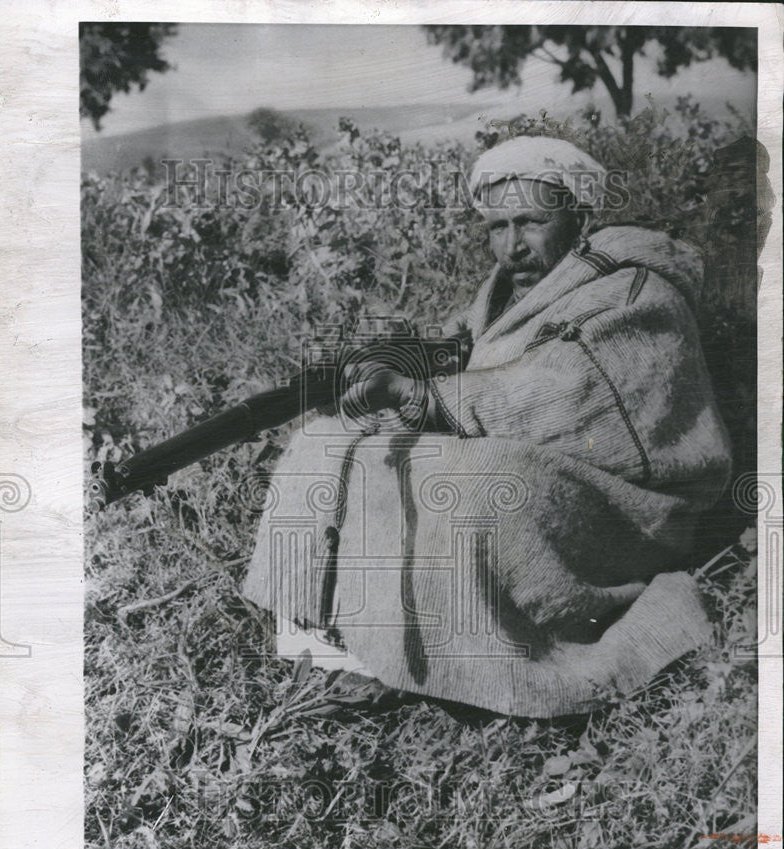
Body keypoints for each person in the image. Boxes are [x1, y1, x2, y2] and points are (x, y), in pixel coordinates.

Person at [243, 136, 732, 717]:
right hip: (542, 467)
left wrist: (428, 399)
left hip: (628, 506)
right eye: (497, 227)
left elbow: (571, 393)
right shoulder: (504, 295)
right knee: (328, 441)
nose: (512, 246)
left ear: (579, 215)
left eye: (530, 221)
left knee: (459, 484)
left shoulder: (635, 292)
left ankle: (455, 665)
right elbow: (460, 348)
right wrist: (394, 367)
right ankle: (327, 637)